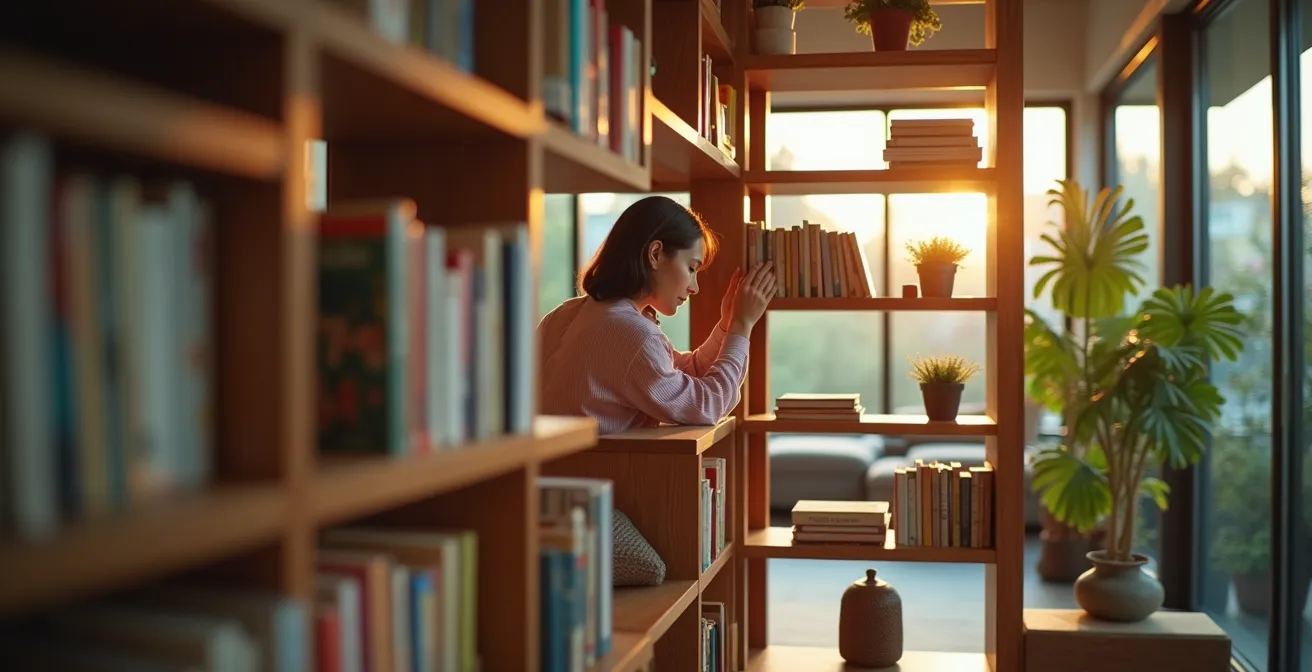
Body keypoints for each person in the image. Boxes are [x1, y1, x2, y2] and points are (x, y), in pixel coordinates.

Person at [537, 195, 777, 434]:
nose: (695, 287)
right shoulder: (632, 334)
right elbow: (707, 405)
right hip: (598, 472)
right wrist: (741, 326)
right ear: (655, 254)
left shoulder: (562, 315)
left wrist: (727, 325)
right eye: (691, 268)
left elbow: (682, 374)